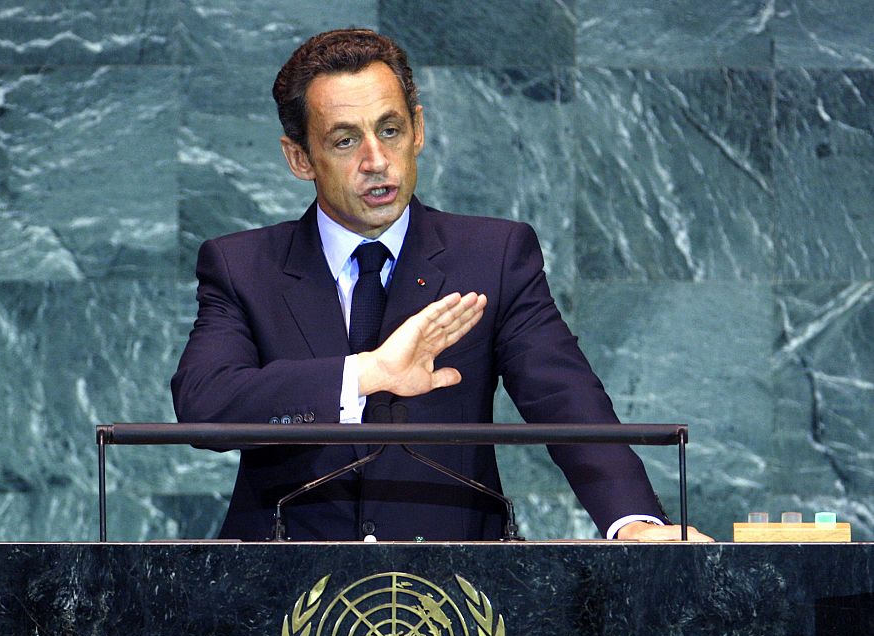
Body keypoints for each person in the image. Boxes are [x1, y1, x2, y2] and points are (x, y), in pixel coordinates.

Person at [171, 28, 710, 543]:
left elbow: (564, 396)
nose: (376, 161)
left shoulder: (493, 256)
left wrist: (633, 522)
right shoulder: (243, 266)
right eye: (344, 140)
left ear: (418, 130)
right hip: (277, 588)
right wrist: (365, 374)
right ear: (299, 157)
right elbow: (205, 405)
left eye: (390, 130)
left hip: (455, 587)